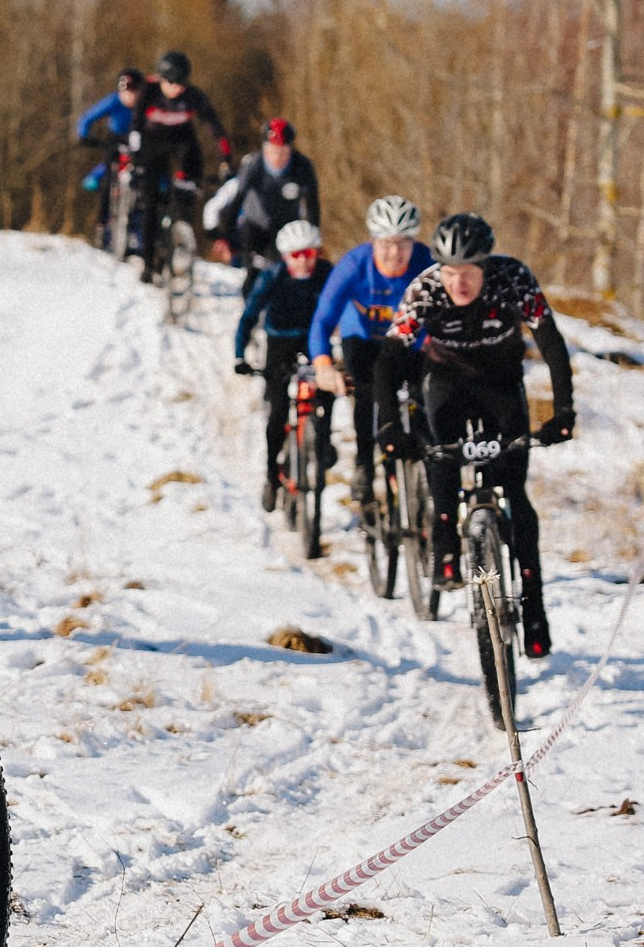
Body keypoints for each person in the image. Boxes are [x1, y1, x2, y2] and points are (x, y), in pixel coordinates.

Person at [374, 213, 576, 659]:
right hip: (445, 379)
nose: (458, 283)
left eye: (468, 273)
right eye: (450, 272)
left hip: (501, 381)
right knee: (439, 453)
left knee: (515, 493)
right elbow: (389, 359)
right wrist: (388, 424)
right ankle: (445, 539)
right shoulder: (425, 289)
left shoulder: (513, 278)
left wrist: (564, 411)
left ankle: (534, 609)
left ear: (486, 267)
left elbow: (551, 341)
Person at [308, 196, 434, 505]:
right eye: (387, 243)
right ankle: (364, 463)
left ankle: (426, 465)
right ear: (373, 241)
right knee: (367, 393)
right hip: (362, 337)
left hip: (408, 342)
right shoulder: (354, 266)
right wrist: (323, 364)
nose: (395, 253)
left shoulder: (427, 265)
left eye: (403, 244)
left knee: (424, 394)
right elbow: (322, 320)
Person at [233, 220, 335, 513]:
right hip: (279, 343)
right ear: (285, 256)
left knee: (326, 391)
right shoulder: (272, 276)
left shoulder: (327, 274)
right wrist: (240, 356)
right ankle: (271, 474)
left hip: (315, 341)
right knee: (277, 410)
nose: (303, 261)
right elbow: (249, 316)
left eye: (309, 253)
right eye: (295, 255)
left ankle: (323, 441)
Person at [126, 51, 229, 281]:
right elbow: (135, 123)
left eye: (182, 84)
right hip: (152, 142)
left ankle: (181, 235)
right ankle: (148, 262)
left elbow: (213, 125)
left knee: (189, 182)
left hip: (181, 141)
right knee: (150, 201)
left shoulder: (193, 96)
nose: (178, 89)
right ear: (162, 79)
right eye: (173, 84)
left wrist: (225, 158)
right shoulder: (149, 90)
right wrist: (135, 152)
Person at [219, 118, 320, 298]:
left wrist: (313, 238)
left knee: (286, 275)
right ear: (264, 149)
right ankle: (251, 307)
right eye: (273, 152)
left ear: (291, 149)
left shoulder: (303, 167)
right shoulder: (254, 165)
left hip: (287, 227)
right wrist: (227, 237)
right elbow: (238, 200)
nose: (278, 158)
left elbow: (312, 205)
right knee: (254, 275)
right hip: (254, 226)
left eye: (283, 152)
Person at [76, 68, 145, 252]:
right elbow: (86, 118)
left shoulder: (145, 106)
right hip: (115, 142)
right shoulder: (113, 101)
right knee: (108, 180)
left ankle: (139, 230)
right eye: (126, 91)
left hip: (139, 144)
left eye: (134, 92)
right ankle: (102, 227)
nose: (130, 96)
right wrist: (84, 135)